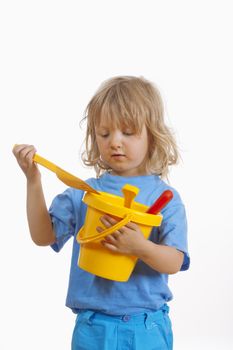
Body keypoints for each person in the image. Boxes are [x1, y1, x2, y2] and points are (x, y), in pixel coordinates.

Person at [13, 76, 190, 350]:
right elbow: (42, 235)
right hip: (93, 327)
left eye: (128, 132)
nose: (115, 142)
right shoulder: (83, 192)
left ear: (152, 135)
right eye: (104, 133)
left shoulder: (166, 199)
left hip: (146, 327)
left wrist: (140, 247)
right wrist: (33, 180)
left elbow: (174, 261)